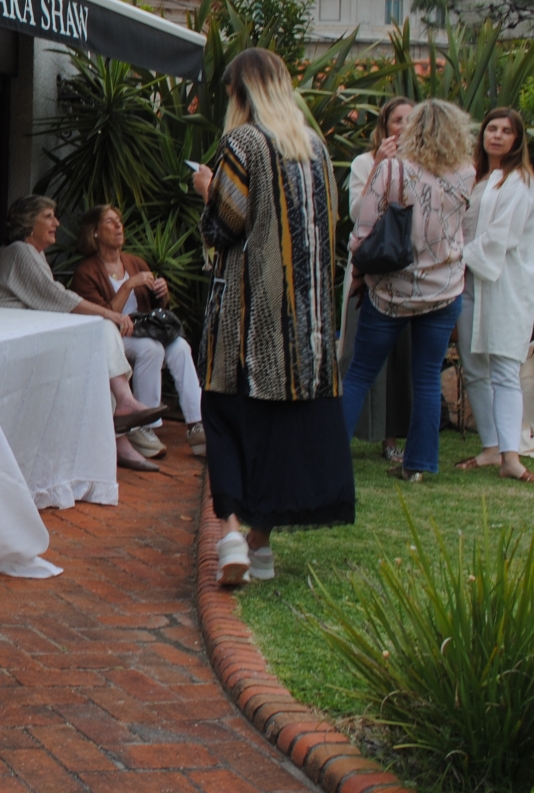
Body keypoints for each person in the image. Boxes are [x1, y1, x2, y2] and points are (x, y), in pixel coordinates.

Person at [192, 49, 352, 587]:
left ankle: (233, 533)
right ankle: (260, 549)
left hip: (246, 322)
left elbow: (224, 226)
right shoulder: (316, 147)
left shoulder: (244, 143)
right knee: (279, 436)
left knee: (224, 420)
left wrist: (206, 191)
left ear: (241, 93)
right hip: (303, 331)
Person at [0, 196, 171, 471]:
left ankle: (122, 417)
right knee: (102, 330)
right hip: (11, 338)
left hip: (27, 331)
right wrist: (110, 314)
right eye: (48, 216)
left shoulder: (32, 252)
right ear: (28, 223)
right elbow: (56, 297)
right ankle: (123, 415)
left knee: (99, 345)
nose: (56, 222)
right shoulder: (19, 251)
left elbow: (52, 300)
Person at [341, 98, 475, 483]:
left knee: (360, 372)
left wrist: (361, 272)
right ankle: (418, 465)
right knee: (428, 377)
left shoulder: (392, 170)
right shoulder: (466, 171)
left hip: (393, 290)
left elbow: (363, 233)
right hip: (445, 287)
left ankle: (330, 457)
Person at [71, 206, 205, 460]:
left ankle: (196, 424)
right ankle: (143, 425)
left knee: (180, 347)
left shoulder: (135, 262)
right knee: (150, 350)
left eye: (119, 222)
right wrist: (128, 285)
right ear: (95, 233)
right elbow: (104, 314)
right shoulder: (86, 272)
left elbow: (156, 310)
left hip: (144, 331)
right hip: (113, 337)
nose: (119, 226)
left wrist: (162, 294)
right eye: (110, 222)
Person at [453, 106, 534, 483]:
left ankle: (511, 457)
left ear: (517, 140)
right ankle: (491, 447)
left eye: (506, 131)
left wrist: (455, 255)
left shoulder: (521, 183)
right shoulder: (476, 179)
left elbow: (500, 240)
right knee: (474, 367)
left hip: (504, 284)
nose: (497, 135)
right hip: (470, 281)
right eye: (491, 128)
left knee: (505, 368)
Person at [342, 98, 415, 462]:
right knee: (359, 352)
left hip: (408, 271)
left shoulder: (425, 166)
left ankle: (391, 439)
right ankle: (347, 435)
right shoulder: (364, 162)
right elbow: (357, 213)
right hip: (369, 266)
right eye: (397, 120)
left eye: (410, 120)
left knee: (402, 356)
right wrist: (381, 169)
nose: (403, 126)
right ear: (385, 126)